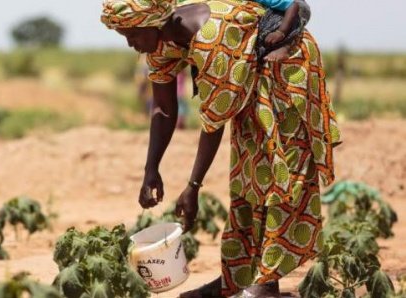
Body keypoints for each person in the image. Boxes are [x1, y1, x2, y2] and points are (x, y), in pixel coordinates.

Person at [101, 0, 341, 297]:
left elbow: (213, 123)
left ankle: (265, 284)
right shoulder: (159, 42)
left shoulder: (212, 38)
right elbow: (163, 109)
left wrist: (193, 187)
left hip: (285, 68)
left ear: (154, 21)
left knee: (282, 170)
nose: (131, 44)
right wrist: (151, 169)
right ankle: (237, 279)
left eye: (133, 35)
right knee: (247, 175)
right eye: (126, 37)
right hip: (249, 74)